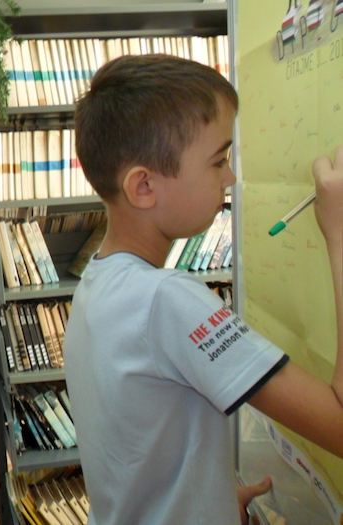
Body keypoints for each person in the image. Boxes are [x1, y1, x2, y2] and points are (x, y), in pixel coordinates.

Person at [63, 54, 343, 525]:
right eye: (218, 161)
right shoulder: (167, 300)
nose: (230, 177)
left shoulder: (98, 282)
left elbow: (136, 449)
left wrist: (207, 501)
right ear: (143, 186)